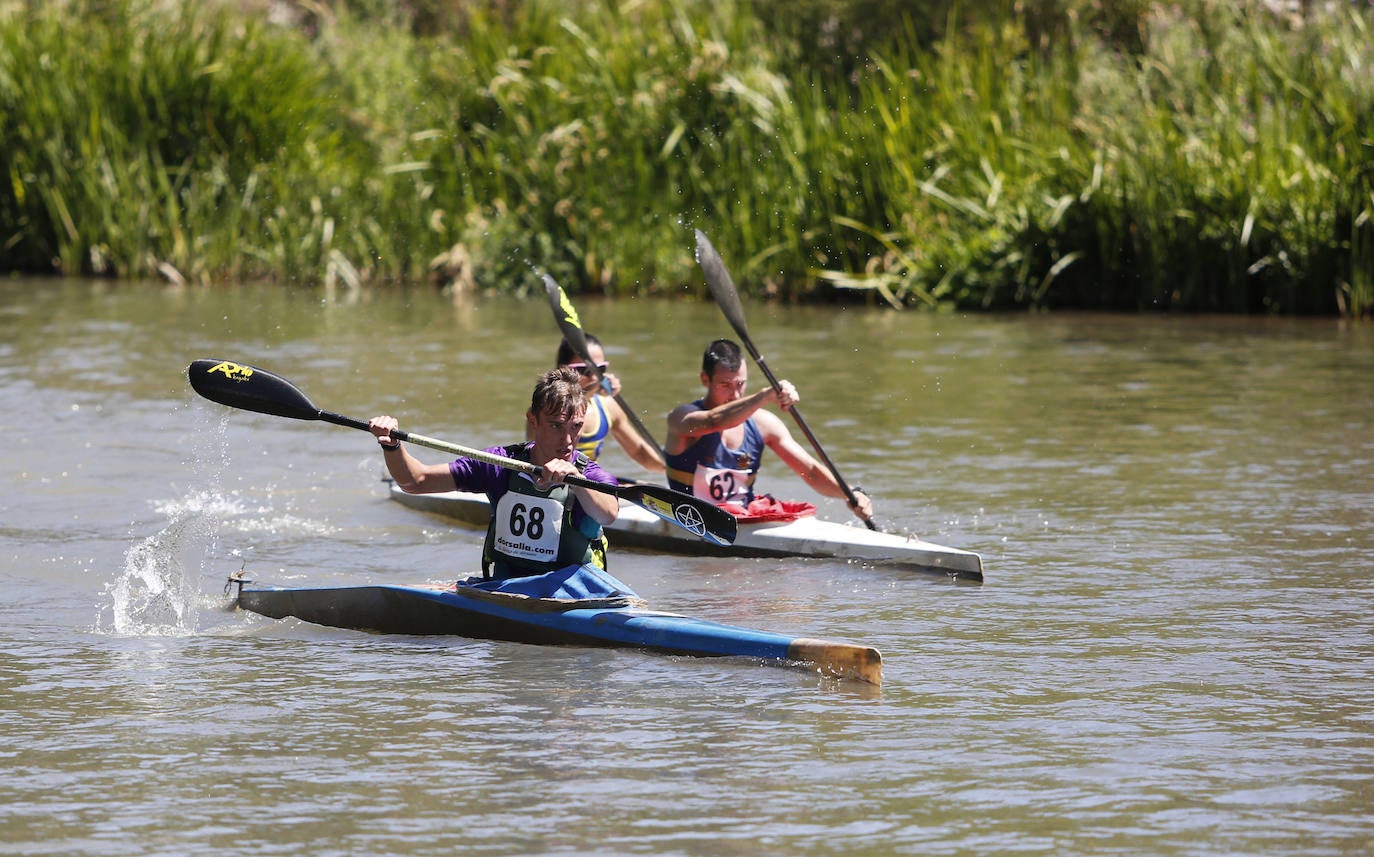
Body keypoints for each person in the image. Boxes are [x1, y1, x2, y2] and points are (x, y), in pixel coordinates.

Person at [370, 367, 637, 600]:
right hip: (505, 588)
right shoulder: (499, 463)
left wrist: (577, 482)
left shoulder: (591, 475)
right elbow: (416, 481)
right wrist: (393, 447)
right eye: (556, 426)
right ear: (532, 419)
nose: (568, 441)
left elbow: (609, 514)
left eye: (575, 427)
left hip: (573, 592)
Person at [664, 338, 873, 524]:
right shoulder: (682, 418)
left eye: (740, 384)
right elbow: (713, 421)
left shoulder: (764, 424)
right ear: (704, 380)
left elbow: (811, 472)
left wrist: (851, 493)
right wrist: (765, 395)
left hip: (744, 518)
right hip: (691, 518)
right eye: (725, 385)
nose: (735, 394)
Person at [543, 334, 665, 474]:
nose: (594, 377)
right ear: (562, 369)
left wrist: (675, 471)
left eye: (600, 370)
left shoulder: (608, 406)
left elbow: (640, 453)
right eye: (585, 370)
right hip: (554, 479)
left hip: (590, 482)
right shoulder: (547, 409)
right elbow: (540, 457)